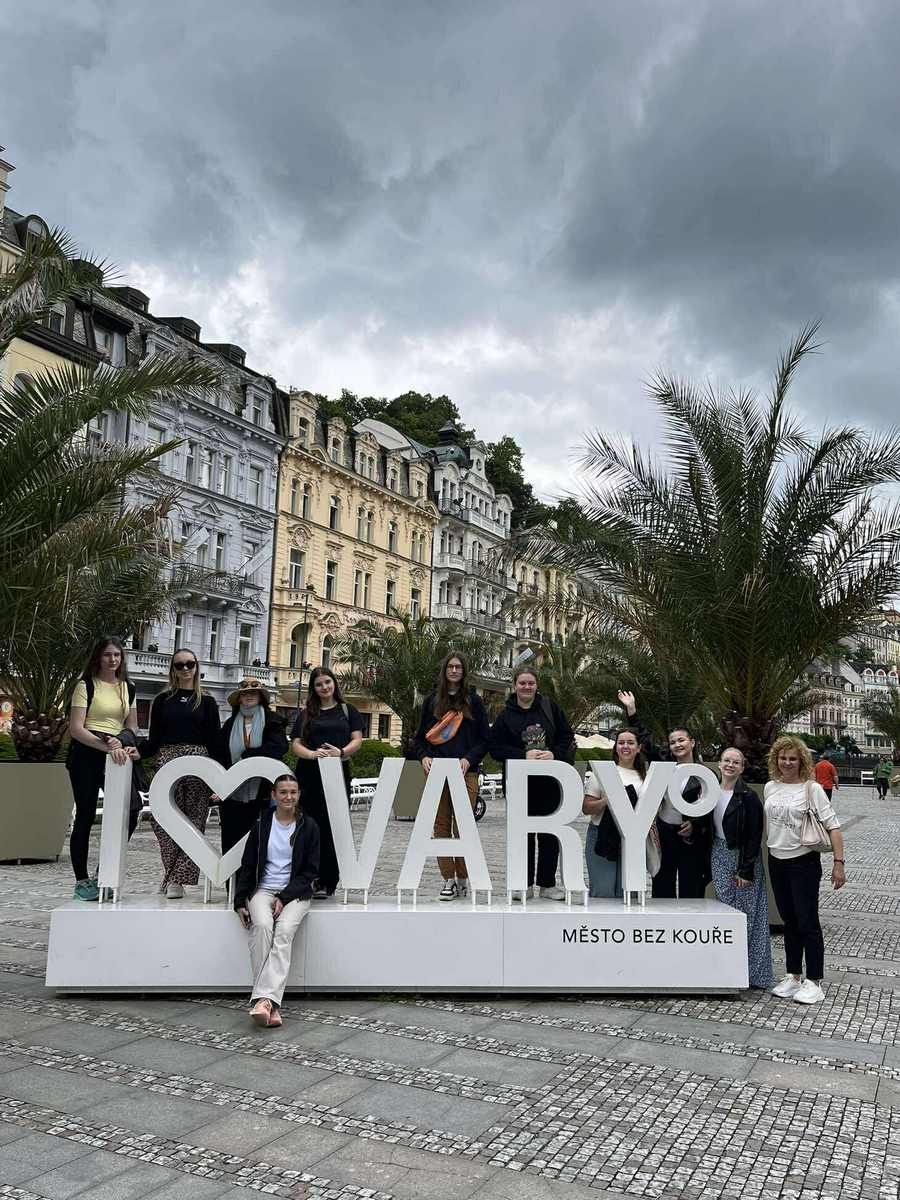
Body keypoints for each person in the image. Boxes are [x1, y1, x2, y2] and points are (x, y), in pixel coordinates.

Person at [765, 734, 845, 1005]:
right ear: (776, 759)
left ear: (802, 761)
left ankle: (815, 980)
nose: (787, 763)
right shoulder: (771, 787)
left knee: (807, 921)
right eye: (782, 758)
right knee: (789, 921)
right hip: (776, 860)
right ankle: (793, 975)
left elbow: (833, 827)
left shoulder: (812, 789)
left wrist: (838, 863)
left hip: (803, 863)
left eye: (792, 758)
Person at [233, 774, 319, 1027]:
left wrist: (285, 896)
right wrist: (240, 901)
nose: (288, 797)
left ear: (299, 794)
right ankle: (269, 1003)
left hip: (296, 893)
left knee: (284, 932)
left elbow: (310, 872)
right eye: (283, 792)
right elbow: (248, 863)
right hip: (263, 889)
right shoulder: (262, 823)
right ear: (273, 795)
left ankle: (264, 1001)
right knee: (261, 927)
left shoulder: (309, 826)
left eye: (293, 792)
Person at [489, 665, 575, 901]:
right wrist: (521, 755)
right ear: (515, 685)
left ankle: (547, 885)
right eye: (522, 683)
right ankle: (523, 884)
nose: (527, 687)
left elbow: (567, 736)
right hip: (519, 785)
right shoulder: (505, 716)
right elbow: (495, 748)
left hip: (550, 783)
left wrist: (554, 754)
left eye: (531, 683)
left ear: (537, 685)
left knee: (549, 835)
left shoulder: (550, 708)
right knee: (522, 836)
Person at [140, 649, 221, 899]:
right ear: (173, 670)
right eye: (179, 665)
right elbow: (154, 739)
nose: (185, 669)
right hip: (167, 760)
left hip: (198, 762)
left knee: (194, 821)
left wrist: (220, 780)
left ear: (196, 667)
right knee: (163, 821)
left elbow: (215, 741)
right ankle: (171, 874)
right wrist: (136, 751)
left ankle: (177, 879)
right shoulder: (162, 700)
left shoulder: (207, 702)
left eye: (189, 664)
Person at [66, 637, 141, 901]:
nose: (113, 660)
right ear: (98, 657)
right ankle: (81, 880)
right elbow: (76, 728)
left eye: (117, 655)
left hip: (116, 754)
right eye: (108, 655)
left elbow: (132, 726)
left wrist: (122, 742)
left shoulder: (128, 687)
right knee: (85, 815)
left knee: (131, 811)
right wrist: (107, 747)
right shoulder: (85, 685)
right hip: (87, 753)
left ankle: (104, 872)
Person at [618, 691, 712, 899]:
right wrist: (632, 710)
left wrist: (695, 825)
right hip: (665, 833)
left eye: (681, 740)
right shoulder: (664, 765)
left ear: (692, 742)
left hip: (691, 840)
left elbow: (711, 810)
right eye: (672, 742)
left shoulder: (706, 775)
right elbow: (645, 741)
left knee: (691, 889)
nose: (677, 745)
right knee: (662, 886)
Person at [414, 651, 490, 900]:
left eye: (458, 667)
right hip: (437, 771)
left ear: (464, 671)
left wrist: (469, 759)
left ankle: (464, 877)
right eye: (450, 667)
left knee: (464, 826)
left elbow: (484, 739)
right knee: (441, 826)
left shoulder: (474, 702)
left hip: (465, 772)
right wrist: (424, 757)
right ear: (444, 670)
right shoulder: (432, 701)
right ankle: (448, 879)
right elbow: (419, 738)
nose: (454, 670)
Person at [290, 667, 364, 897]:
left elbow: (357, 740)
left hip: (338, 773)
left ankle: (328, 880)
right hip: (309, 776)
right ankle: (308, 878)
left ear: (334, 683)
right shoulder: (306, 714)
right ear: (313, 688)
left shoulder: (348, 710)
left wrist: (340, 752)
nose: (324, 687)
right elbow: (295, 744)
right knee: (308, 826)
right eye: (319, 684)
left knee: (334, 827)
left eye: (327, 682)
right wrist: (312, 754)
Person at [711, 747, 773, 988]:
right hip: (719, 853)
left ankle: (750, 974)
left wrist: (746, 870)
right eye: (726, 760)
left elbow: (754, 836)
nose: (730, 765)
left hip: (743, 859)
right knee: (726, 912)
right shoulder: (709, 792)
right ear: (719, 764)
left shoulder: (748, 797)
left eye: (735, 762)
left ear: (742, 767)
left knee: (747, 917)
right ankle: (728, 969)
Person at [582, 726, 660, 897]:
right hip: (602, 835)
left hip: (634, 838)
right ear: (616, 747)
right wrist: (606, 801)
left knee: (629, 894)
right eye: (621, 742)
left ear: (638, 748)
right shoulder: (600, 773)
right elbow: (586, 807)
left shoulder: (647, 777)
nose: (625, 746)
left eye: (630, 743)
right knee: (603, 891)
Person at [213, 678, 288, 852]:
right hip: (232, 794)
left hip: (261, 792)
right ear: (239, 699)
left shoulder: (273, 721)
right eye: (244, 694)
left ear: (260, 697)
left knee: (259, 843)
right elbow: (219, 753)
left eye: (253, 693)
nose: (249, 696)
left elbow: (279, 748)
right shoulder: (230, 724)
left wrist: (249, 755)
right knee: (231, 842)